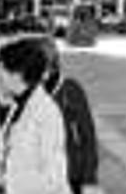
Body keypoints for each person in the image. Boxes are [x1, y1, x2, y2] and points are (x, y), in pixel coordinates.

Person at [0, 38, 71, 194]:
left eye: (2, 70)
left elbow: (54, 179)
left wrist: (5, 178)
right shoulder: (19, 103)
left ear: (18, 74)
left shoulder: (46, 113)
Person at [39, 38, 100, 194]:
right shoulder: (26, 90)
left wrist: (89, 179)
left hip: (69, 175)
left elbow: (88, 136)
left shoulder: (70, 90)